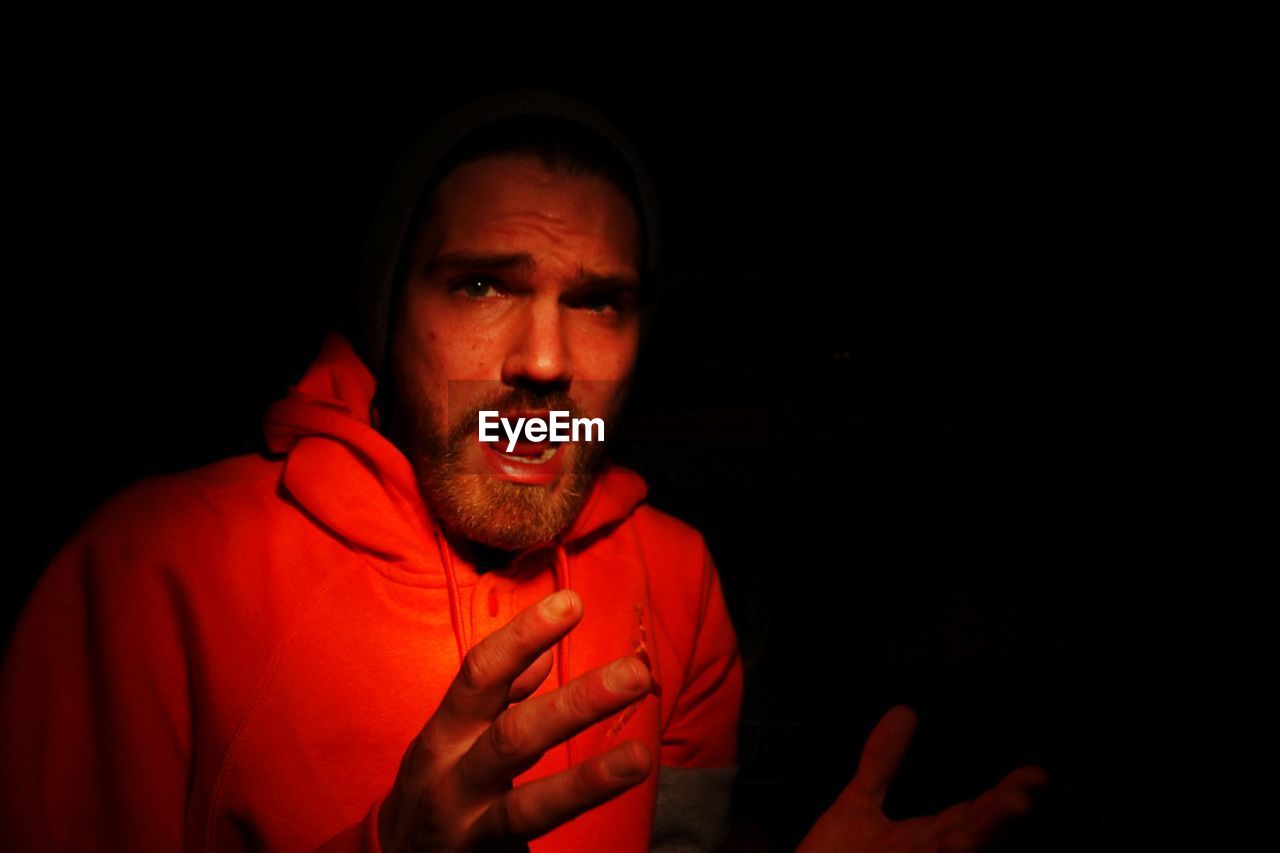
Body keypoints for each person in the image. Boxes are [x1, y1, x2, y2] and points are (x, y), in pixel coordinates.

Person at [0, 89, 1047, 852]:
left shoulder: (677, 582)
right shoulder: (150, 568)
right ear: (387, 311)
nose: (543, 361)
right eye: (479, 286)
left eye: (597, 302)